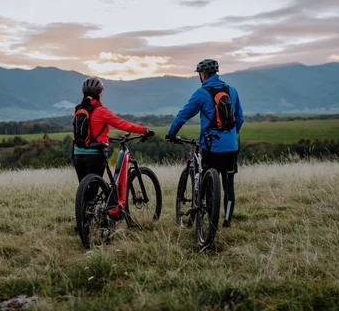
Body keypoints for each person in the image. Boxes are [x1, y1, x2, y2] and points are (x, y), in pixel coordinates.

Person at [165, 59, 244, 228]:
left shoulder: (201, 93)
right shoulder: (232, 90)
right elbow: (240, 118)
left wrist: (172, 134)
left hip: (211, 146)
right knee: (228, 185)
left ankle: (209, 217)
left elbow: (183, 114)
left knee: (208, 181)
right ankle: (227, 222)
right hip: (231, 146)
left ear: (203, 75)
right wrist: (230, 135)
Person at [73, 77, 155, 182]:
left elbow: (82, 131)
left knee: (84, 191)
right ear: (99, 93)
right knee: (93, 189)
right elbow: (124, 125)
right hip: (95, 154)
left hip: (78, 153)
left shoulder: (78, 109)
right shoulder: (101, 111)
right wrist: (145, 130)